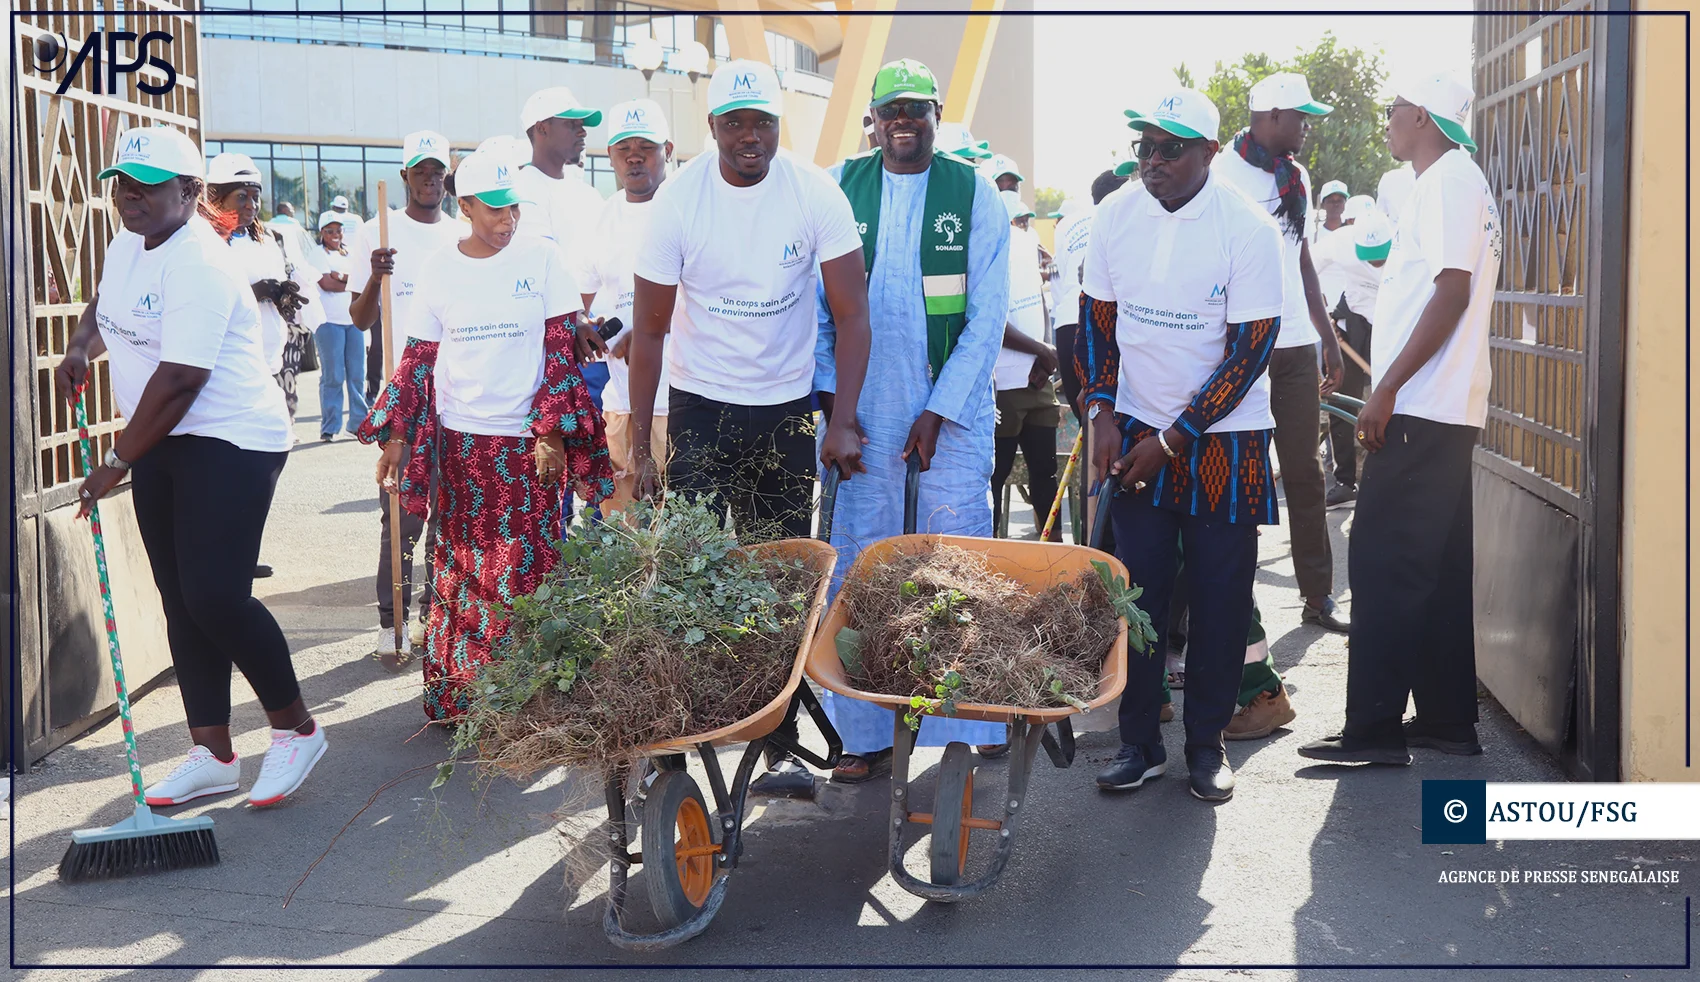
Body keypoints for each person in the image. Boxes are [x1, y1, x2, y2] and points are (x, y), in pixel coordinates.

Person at [57, 127, 325, 808]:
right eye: (122, 183)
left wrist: (116, 459)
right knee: (181, 601)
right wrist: (82, 344)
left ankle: (296, 729)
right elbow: (105, 300)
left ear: (190, 192)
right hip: (165, 438)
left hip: (230, 435)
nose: (130, 197)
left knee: (215, 595)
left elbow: (181, 379)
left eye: (146, 186)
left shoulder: (201, 261)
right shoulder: (126, 243)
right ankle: (212, 751)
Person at [627, 59, 871, 795]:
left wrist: (845, 422)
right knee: (691, 569)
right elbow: (648, 330)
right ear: (712, 130)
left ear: (776, 126)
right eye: (734, 122)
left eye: (761, 121)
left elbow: (853, 316)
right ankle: (679, 734)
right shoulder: (678, 202)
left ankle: (779, 740)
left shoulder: (814, 193)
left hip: (784, 411)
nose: (749, 136)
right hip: (702, 405)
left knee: (779, 577)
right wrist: (642, 444)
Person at [1079, 88, 1285, 802]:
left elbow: (1252, 350)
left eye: (1171, 148)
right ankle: (1140, 744)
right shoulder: (1115, 215)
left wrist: (1174, 439)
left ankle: (1206, 747)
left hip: (1224, 436)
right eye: (1145, 145)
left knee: (1223, 598)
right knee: (1138, 596)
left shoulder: (1247, 229)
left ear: (1211, 154)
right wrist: (1101, 409)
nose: (1153, 160)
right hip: (1138, 426)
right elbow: (1098, 323)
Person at [358, 148, 613, 720]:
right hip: (461, 445)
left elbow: (558, 352)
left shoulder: (544, 260)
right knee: (463, 567)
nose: (508, 221)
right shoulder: (440, 271)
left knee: (531, 563)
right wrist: (397, 437)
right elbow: (419, 359)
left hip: (527, 446)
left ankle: (533, 699)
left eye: (514, 209)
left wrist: (550, 432)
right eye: (494, 210)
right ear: (464, 204)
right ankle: (463, 694)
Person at [813, 58, 1011, 782]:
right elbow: (817, 312)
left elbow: (987, 317)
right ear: (873, 118)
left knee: (954, 568)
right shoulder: (839, 186)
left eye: (916, 109)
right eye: (891, 109)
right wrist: (839, 410)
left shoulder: (974, 192)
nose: (903, 121)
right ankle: (863, 735)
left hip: (947, 419)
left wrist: (937, 410)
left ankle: (970, 719)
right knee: (864, 570)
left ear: (935, 115)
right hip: (859, 419)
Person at [1300, 72, 1501, 765]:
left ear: (1421, 115)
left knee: (1382, 566)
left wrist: (1385, 389)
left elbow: (1450, 294)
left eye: (1392, 111)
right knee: (1438, 570)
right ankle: (1447, 719)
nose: (1385, 121)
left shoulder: (1447, 178)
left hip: (1420, 406)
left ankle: (1374, 731)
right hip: (1444, 406)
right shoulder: (1457, 180)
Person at [1210, 71, 1349, 635]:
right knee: (1237, 475)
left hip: (1295, 346)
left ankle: (1318, 597)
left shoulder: (1298, 178)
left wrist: (1329, 342)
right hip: (1242, 344)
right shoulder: (1220, 172)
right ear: (1270, 117)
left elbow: (1302, 258)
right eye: (1300, 118)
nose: (1306, 128)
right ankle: (1223, 611)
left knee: (1305, 473)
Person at [347, 130, 464, 652]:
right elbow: (359, 318)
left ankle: (430, 617)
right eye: (421, 172)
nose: (431, 180)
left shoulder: (462, 234)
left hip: (457, 397)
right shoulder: (378, 231)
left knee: (448, 513)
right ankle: (388, 623)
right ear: (404, 178)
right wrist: (375, 277)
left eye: (438, 171)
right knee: (400, 515)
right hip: (403, 400)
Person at [577, 98, 677, 516]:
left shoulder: (687, 207)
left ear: (668, 150)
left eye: (646, 147)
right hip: (622, 406)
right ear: (610, 157)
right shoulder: (602, 219)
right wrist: (585, 324)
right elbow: (576, 301)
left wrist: (652, 328)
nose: (635, 158)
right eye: (624, 149)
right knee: (629, 543)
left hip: (688, 405)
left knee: (689, 543)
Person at [516, 87, 611, 424]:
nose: (582, 130)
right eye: (572, 123)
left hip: (602, 353)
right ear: (541, 128)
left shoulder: (588, 194)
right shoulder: (521, 191)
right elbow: (542, 273)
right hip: (556, 359)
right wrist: (576, 319)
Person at [205, 153, 311, 422]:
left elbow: (273, 285)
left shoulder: (264, 239)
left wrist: (282, 294)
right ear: (216, 196)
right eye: (242, 196)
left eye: (255, 197)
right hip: (229, 369)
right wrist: (258, 291)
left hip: (268, 361)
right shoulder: (207, 242)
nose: (251, 205)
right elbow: (208, 301)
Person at [991, 188, 1061, 540]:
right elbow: (992, 322)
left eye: (1024, 220)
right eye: (1016, 220)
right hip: (1003, 385)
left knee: (1046, 475)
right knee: (996, 475)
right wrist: (1043, 351)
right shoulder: (990, 246)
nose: (1022, 225)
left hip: (1037, 382)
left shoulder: (1026, 247)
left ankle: (1054, 553)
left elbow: (1040, 307)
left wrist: (1046, 358)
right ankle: (985, 559)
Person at [1319, 212, 1393, 506]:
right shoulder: (1340, 242)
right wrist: (1325, 320)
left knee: (1392, 401)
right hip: (1351, 319)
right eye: (1369, 257)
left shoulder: (1408, 246)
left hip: (1390, 322)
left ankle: (1385, 484)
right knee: (1339, 399)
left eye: (1380, 256)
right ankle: (1345, 482)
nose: (1375, 263)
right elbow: (1304, 267)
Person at [1057, 169, 1129, 424]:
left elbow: (1064, 281)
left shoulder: (1067, 223)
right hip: (1103, 325)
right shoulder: (1127, 215)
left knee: (1094, 426)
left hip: (1067, 325)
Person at [312, 212, 368, 442]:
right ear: (321, 233)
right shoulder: (317, 254)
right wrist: (348, 280)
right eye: (330, 231)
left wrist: (341, 276)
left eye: (338, 230)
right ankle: (330, 426)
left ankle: (358, 424)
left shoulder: (351, 253)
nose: (336, 235)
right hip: (329, 322)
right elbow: (326, 284)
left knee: (357, 375)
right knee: (333, 375)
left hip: (353, 321)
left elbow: (362, 280)